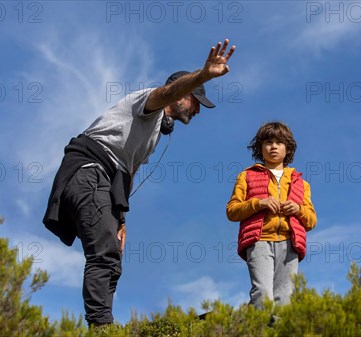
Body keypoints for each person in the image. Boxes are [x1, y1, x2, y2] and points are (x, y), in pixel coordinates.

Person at [43, 39, 236, 327]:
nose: (198, 110)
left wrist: (121, 219)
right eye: (196, 101)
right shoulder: (148, 102)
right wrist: (203, 74)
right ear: (181, 94)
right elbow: (167, 92)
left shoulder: (154, 134)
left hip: (104, 181)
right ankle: (102, 328)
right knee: (103, 252)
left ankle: (102, 324)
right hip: (87, 170)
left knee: (113, 261)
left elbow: (128, 172)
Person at [226, 121, 317, 309]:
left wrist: (298, 209)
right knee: (262, 295)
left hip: (290, 243)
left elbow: (311, 220)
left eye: (279, 142)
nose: (273, 146)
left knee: (285, 299)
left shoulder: (301, 183)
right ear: (260, 147)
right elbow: (232, 211)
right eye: (268, 142)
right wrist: (259, 203)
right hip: (258, 240)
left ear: (288, 148)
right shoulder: (247, 176)